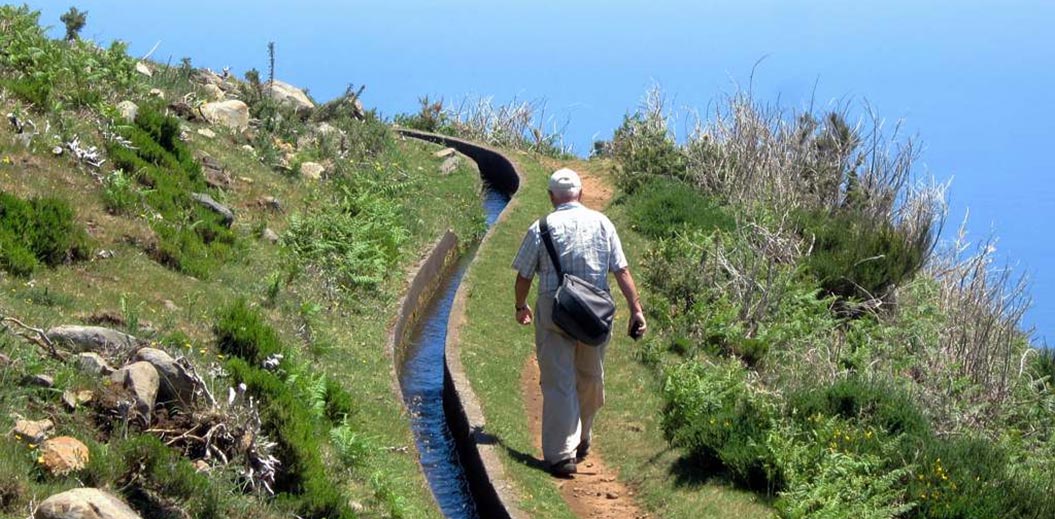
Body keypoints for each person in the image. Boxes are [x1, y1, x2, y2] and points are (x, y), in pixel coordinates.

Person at [511, 167, 647, 477]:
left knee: (559, 380)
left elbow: (524, 275)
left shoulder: (541, 227)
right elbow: (621, 271)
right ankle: (583, 437)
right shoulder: (602, 223)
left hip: (554, 307)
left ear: (550, 197)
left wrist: (521, 306)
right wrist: (636, 309)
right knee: (590, 377)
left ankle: (561, 456)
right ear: (581, 195)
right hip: (593, 312)